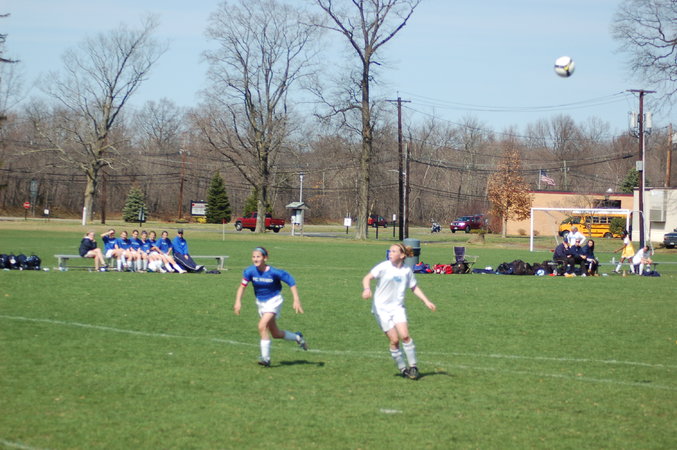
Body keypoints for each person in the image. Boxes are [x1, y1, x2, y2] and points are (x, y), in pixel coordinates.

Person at [361, 243, 436, 380]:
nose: (390, 253)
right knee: (395, 340)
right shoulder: (384, 266)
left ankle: (413, 366)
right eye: (390, 251)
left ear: (402, 255)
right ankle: (402, 368)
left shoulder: (407, 271)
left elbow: (414, 287)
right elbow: (367, 278)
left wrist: (426, 301)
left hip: (397, 308)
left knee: (405, 336)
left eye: (393, 251)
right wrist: (367, 289)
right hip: (381, 309)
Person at [234, 247, 307, 367]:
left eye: (258, 256)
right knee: (275, 333)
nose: (255, 259)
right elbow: (242, 287)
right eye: (253, 257)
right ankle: (298, 337)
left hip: (274, 301)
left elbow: (291, 282)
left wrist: (296, 299)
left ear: (265, 258)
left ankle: (265, 359)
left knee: (262, 326)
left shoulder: (274, 272)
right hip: (261, 303)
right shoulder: (249, 271)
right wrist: (238, 302)